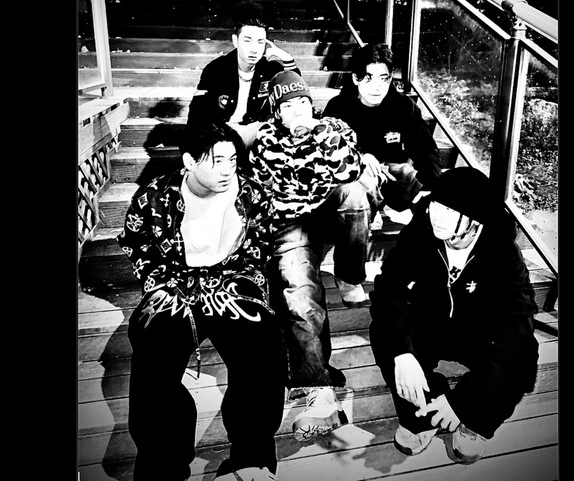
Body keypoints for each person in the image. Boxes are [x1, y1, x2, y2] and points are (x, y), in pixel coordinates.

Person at [117, 118, 286, 481]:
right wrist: (159, 286)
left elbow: (259, 247)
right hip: (176, 287)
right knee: (153, 356)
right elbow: (137, 243)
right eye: (217, 161)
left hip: (230, 285)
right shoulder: (155, 196)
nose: (227, 170)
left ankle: (252, 456)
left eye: (233, 160)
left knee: (263, 346)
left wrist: (240, 286)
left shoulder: (252, 194)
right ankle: (164, 463)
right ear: (190, 161)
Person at [369, 167, 539, 465]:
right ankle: (421, 414)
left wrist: (463, 402)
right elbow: (387, 291)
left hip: (479, 331)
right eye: (436, 205)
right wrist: (402, 353)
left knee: (523, 355)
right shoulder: (420, 232)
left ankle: (476, 420)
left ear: (475, 220)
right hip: (431, 322)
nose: (437, 215)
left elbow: (518, 325)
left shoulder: (502, 252)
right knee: (385, 335)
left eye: (450, 210)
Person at [249, 70, 371, 442]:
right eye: (288, 106)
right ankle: (319, 390)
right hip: (291, 223)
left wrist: (319, 134)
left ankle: (349, 274)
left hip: (329, 211)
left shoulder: (333, 127)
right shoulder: (266, 141)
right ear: (277, 113)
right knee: (299, 294)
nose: (298, 110)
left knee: (355, 194)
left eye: (303, 102)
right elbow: (269, 194)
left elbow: (350, 169)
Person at [323, 42, 441, 218]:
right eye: (368, 78)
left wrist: (431, 186)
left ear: (390, 78)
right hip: (355, 178)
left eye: (383, 78)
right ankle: (369, 211)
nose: (376, 86)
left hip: (392, 180)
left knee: (413, 176)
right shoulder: (338, 107)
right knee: (356, 185)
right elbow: (325, 155)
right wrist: (360, 159)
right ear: (355, 78)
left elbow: (426, 149)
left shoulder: (404, 107)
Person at [187, 0, 299, 149]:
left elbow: (296, 93)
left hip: (257, 131)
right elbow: (197, 114)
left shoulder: (271, 69)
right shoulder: (216, 69)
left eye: (260, 42)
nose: (254, 49)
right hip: (224, 133)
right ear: (235, 41)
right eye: (247, 41)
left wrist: (287, 59)